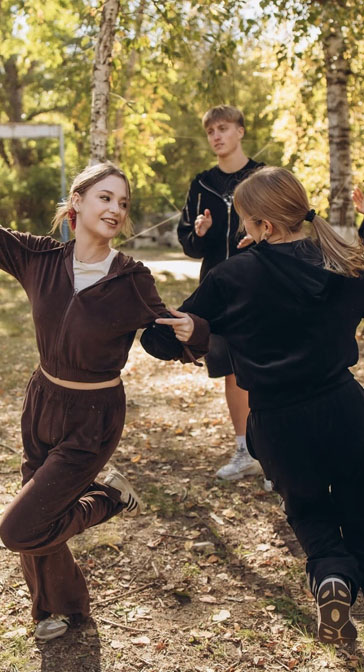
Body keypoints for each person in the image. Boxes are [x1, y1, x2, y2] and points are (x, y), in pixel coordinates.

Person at [0, 140, 208, 641]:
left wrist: (194, 332)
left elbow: (162, 338)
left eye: (123, 202)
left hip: (94, 417)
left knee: (20, 527)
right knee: (42, 510)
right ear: (77, 204)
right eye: (105, 198)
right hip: (42, 401)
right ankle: (57, 609)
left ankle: (108, 498)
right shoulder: (38, 257)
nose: (115, 209)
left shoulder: (131, 278)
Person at [142, 165, 364, 644]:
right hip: (346, 408)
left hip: (278, 421)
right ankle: (345, 575)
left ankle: (332, 577)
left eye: (245, 219)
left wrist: (197, 330)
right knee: (359, 500)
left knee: (308, 510)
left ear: (263, 225)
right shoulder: (343, 262)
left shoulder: (234, 275)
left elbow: (159, 340)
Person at [177, 105, 264, 481]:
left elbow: (285, 227)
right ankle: (245, 451)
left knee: (264, 368)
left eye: (223, 128)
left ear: (240, 131)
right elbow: (187, 243)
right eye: (211, 131)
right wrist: (198, 233)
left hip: (260, 287)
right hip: (217, 292)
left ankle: (272, 453)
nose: (216, 136)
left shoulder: (262, 177)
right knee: (231, 372)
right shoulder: (202, 184)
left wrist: (259, 239)